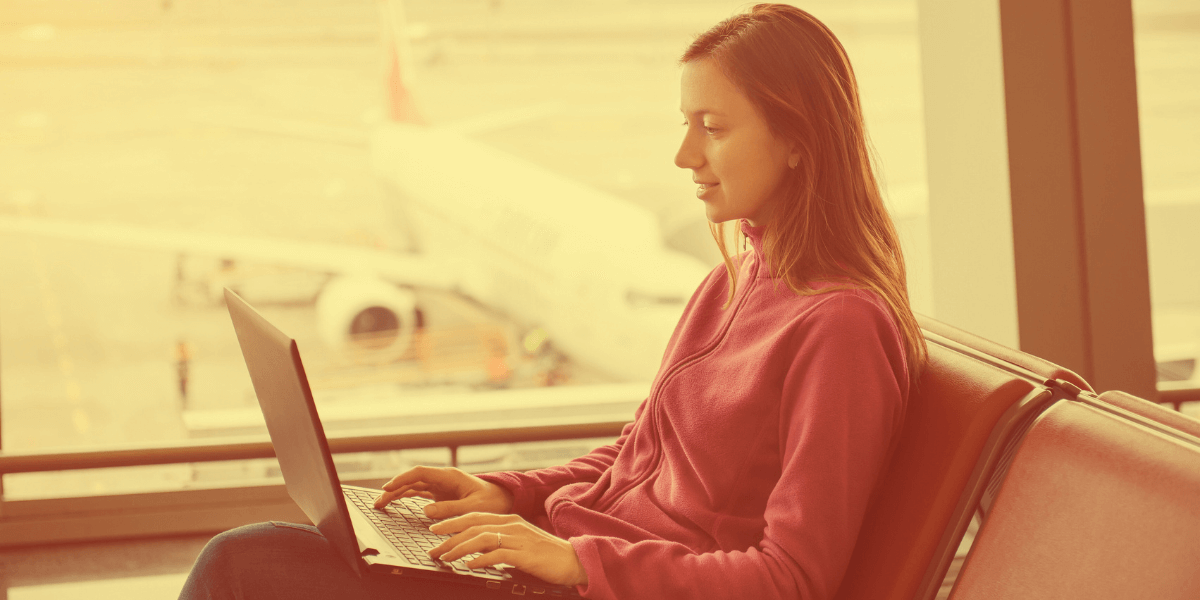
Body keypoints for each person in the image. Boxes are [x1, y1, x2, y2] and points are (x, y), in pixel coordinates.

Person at [179, 4, 926, 599]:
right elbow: (637, 457)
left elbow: (792, 581)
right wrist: (505, 494)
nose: (684, 157)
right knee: (285, 553)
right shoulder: (732, 281)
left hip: (586, 585)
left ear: (800, 141)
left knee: (245, 569)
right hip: (562, 567)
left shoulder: (842, 327)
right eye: (684, 123)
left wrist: (574, 561)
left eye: (713, 128)